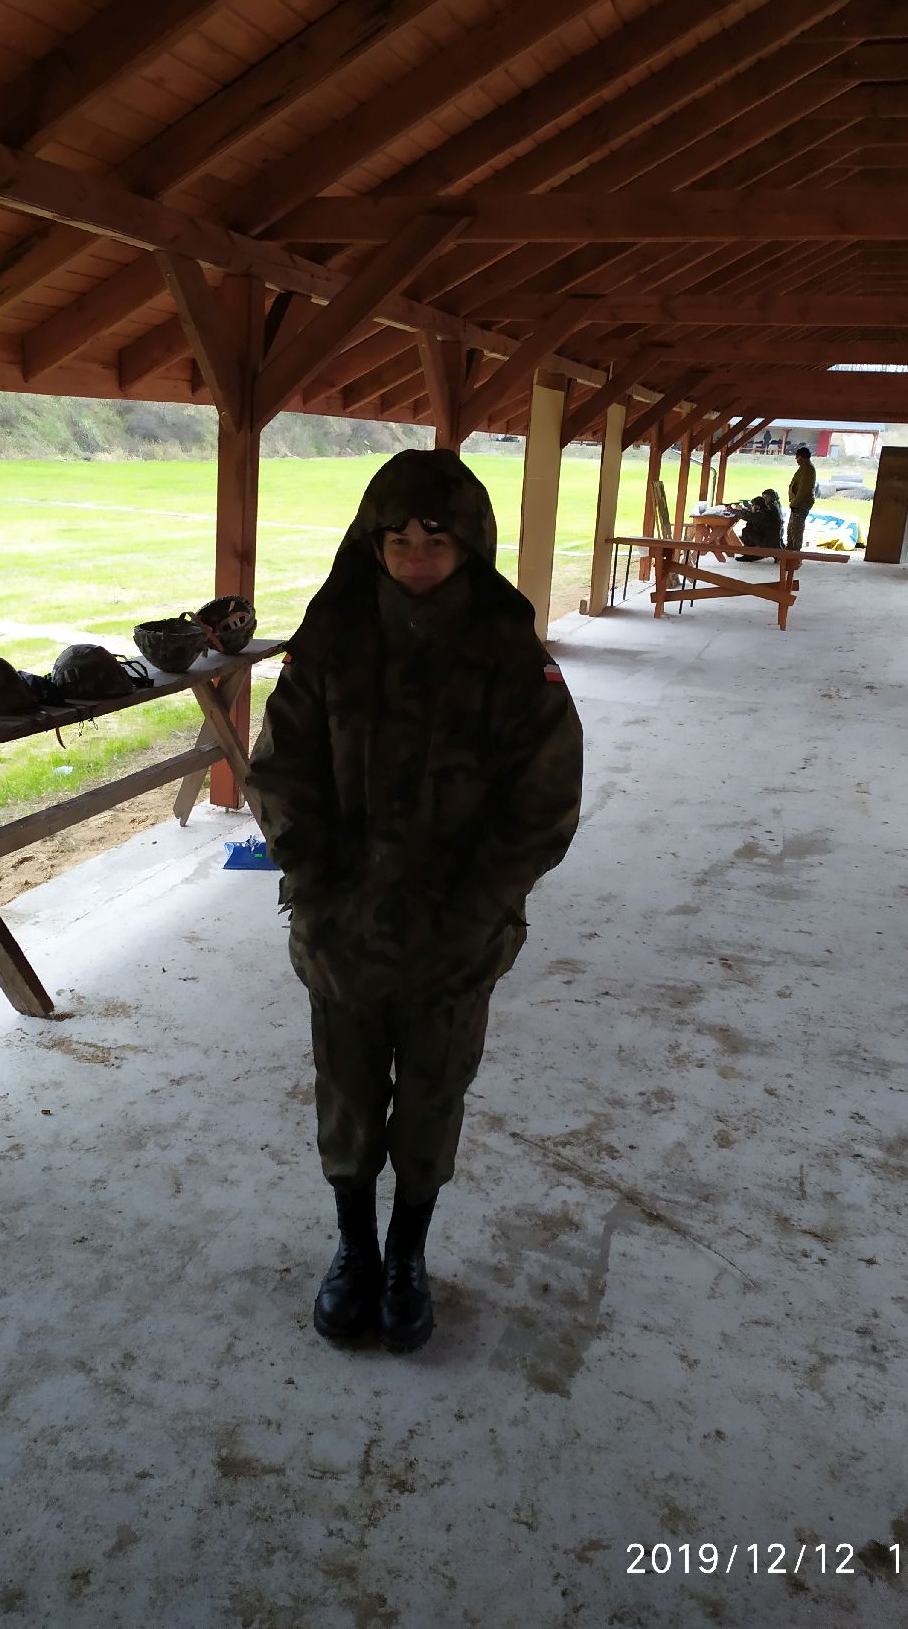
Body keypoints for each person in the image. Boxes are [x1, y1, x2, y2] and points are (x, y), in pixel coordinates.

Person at [245, 450, 583, 1354]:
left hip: (456, 937)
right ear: (372, 545)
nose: (415, 556)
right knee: (348, 1099)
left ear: (469, 543)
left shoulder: (510, 655)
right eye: (396, 540)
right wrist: (317, 880)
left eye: (435, 538)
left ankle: (407, 1253)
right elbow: (280, 769)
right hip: (343, 931)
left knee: (432, 1099)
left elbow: (545, 800)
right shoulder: (332, 640)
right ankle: (354, 1248)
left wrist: (474, 906)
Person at [731, 489, 783, 560]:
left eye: (766, 497)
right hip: (775, 540)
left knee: (746, 531)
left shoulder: (769, 510)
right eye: (763, 497)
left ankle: (749, 554)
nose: (764, 499)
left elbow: (750, 517)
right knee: (750, 526)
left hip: (768, 542)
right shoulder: (775, 506)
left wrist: (735, 511)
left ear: (772, 497)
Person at [786, 446, 816, 550]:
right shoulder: (804, 468)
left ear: (803, 457)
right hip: (798, 503)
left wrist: (795, 503)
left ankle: (794, 553)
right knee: (791, 529)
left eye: (797, 457)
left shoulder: (808, 469)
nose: (796, 460)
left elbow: (803, 489)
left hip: (800, 504)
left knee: (796, 530)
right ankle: (789, 550)